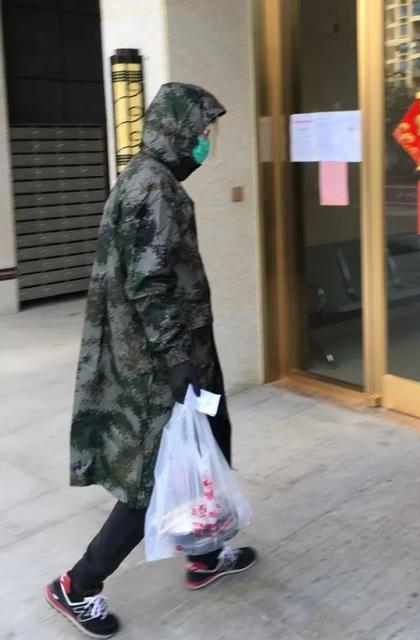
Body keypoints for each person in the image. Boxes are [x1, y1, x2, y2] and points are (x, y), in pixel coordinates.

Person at [43, 82, 256, 639]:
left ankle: (204, 554)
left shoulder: (150, 179)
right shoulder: (153, 188)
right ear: (177, 129)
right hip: (160, 363)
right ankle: (77, 584)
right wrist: (178, 361)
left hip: (180, 353)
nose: (207, 141)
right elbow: (150, 283)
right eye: (202, 131)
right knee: (159, 477)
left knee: (207, 447)